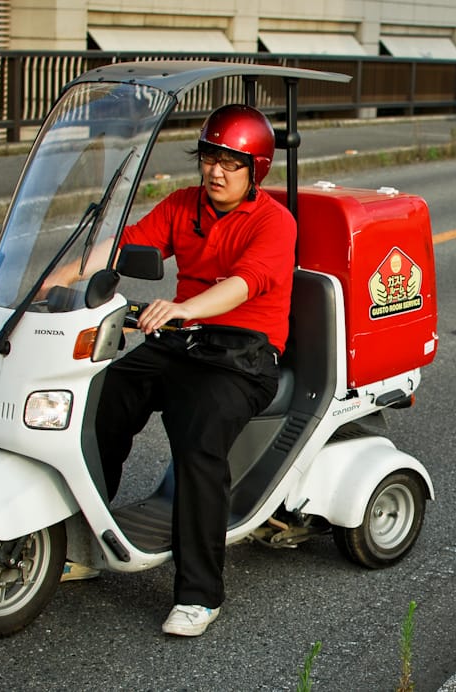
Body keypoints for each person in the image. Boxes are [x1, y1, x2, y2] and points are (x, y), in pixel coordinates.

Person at [62, 104, 296, 637]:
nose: (216, 171)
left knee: (198, 440)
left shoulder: (274, 223)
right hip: (180, 340)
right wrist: (61, 279)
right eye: (210, 158)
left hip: (244, 355)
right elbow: (124, 247)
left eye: (231, 163)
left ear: (256, 169)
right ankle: (84, 540)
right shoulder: (183, 205)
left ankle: (199, 594)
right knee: (103, 403)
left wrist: (185, 307)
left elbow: (245, 283)